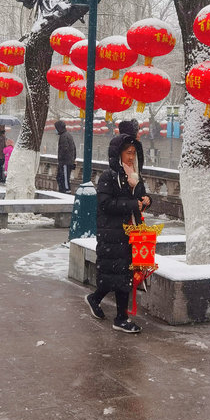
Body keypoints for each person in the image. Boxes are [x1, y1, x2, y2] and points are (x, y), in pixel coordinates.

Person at [84, 133, 151, 334]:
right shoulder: (108, 177)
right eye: (128, 153)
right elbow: (105, 204)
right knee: (120, 274)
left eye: (134, 153)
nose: (131, 157)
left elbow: (140, 198)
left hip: (133, 232)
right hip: (113, 233)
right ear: (118, 154)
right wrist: (132, 203)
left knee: (121, 274)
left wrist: (146, 201)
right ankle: (121, 318)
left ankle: (95, 299)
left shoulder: (135, 177)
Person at [55, 120, 76, 194]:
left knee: (64, 179)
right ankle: (63, 191)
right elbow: (74, 148)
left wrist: (62, 160)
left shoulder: (63, 136)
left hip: (65, 162)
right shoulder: (68, 135)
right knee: (61, 177)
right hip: (67, 162)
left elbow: (64, 149)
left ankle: (66, 192)